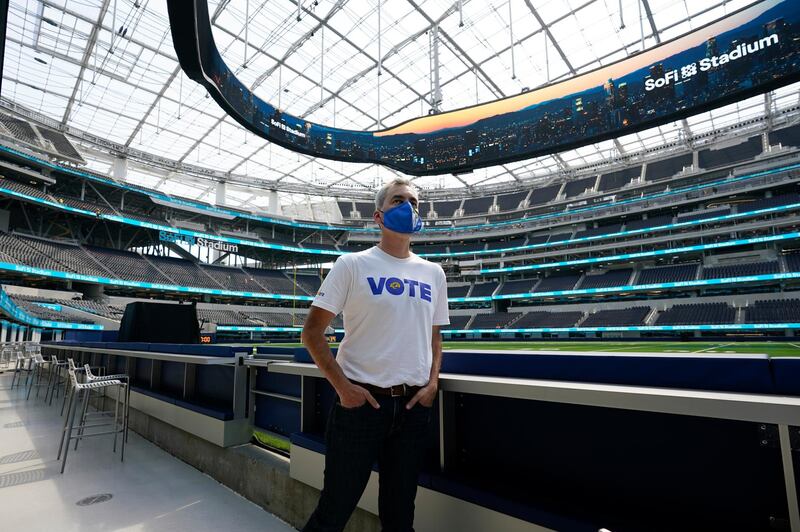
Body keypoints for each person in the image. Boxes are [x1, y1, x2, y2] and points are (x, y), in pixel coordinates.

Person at [301, 178, 449, 532]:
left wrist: (431, 385)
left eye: (414, 202)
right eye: (399, 200)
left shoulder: (434, 273)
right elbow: (311, 333)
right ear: (378, 216)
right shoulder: (351, 264)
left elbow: (435, 335)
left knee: (400, 517)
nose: (409, 207)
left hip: (413, 408)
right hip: (361, 407)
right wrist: (344, 389)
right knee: (333, 511)